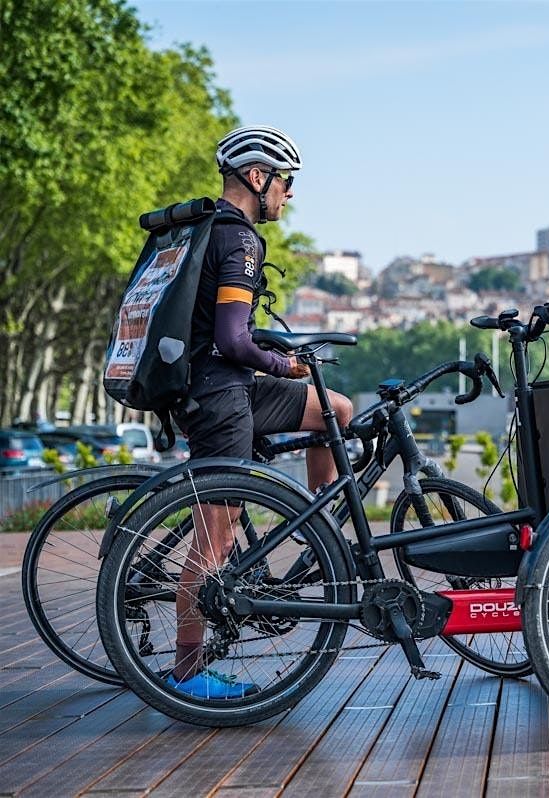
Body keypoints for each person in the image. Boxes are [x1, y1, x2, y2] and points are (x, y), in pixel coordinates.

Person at [167, 125, 354, 698]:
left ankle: (314, 523)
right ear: (257, 177)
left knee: (335, 409)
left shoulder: (204, 228)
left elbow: (228, 330)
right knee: (215, 541)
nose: (288, 194)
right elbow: (230, 338)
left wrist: (275, 356)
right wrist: (283, 365)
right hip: (222, 397)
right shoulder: (240, 241)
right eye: (285, 182)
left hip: (225, 386)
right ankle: (188, 671)